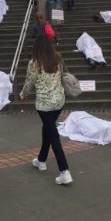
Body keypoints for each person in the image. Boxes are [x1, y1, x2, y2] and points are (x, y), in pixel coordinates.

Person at [20, 34, 73, 185]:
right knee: (48, 129)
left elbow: (29, 83)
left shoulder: (34, 63)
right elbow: (63, 75)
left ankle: (64, 171)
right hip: (59, 101)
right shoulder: (57, 58)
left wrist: (23, 95)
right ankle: (41, 160)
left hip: (44, 104)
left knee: (53, 135)